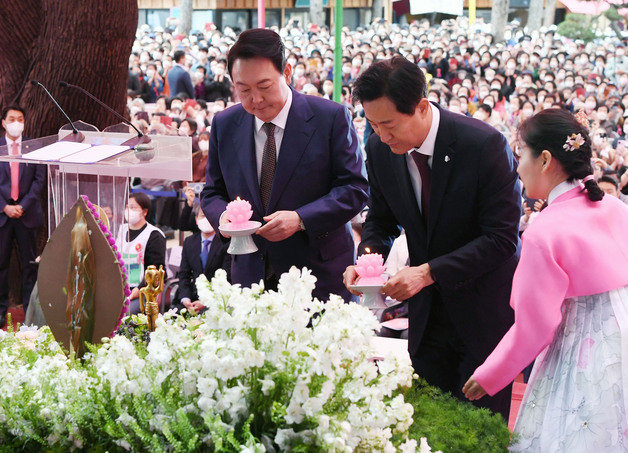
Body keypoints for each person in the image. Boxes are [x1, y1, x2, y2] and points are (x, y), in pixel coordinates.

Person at [345, 56, 521, 419]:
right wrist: (368, 261)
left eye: (389, 124)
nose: (381, 135)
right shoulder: (380, 150)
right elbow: (381, 218)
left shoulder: (482, 145)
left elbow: (503, 239)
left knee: (479, 429)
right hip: (426, 317)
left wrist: (428, 272)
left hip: (482, 311)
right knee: (429, 422)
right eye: (373, 124)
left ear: (422, 107)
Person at [463, 109, 628, 451]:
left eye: (520, 153)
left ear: (545, 159)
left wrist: (490, 373)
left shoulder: (545, 229)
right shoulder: (615, 208)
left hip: (580, 354)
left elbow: (534, 326)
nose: (517, 165)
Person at [201, 29, 369, 302]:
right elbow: (212, 192)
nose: (255, 100)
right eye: (243, 90)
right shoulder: (225, 124)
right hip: (249, 275)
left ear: (287, 73)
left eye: (264, 87)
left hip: (318, 275)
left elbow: (355, 188)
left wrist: (301, 219)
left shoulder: (329, 117)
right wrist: (224, 219)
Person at [0, 106, 45, 328]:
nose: (16, 122)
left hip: (27, 215)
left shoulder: (33, 147)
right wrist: (5, 207)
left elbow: (39, 180)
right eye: (12, 119)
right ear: (4, 122)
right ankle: (1, 311)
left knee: (29, 267)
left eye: (20, 119)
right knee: (1, 265)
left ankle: (29, 314)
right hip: (3, 215)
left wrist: (23, 205)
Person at [116, 193, 166, 314]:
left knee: (125, 313)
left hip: (142, 292)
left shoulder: (154, 235)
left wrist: (138, 290)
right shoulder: (121, 229)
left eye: (133, 207)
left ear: (144, 212)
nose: (129, 210)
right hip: (119, 289)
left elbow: (156, 270)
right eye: (127, 207)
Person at [175, 205, 230, 314]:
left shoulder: (226, 243)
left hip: (217, 299)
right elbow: (184, 274)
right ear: (196, 219)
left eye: (210, 216)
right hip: (192, 298)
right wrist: (186, 298)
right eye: (203, 216)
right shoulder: (189, 242)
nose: (206, 219)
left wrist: (206, 301)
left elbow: (228, 277)